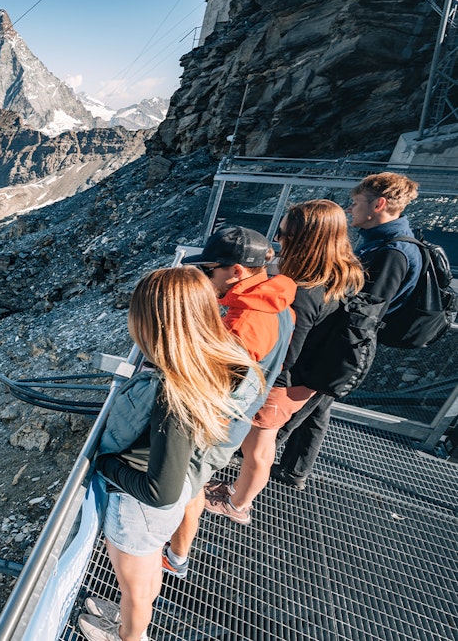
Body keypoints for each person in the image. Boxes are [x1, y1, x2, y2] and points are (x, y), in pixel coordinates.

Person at [78, 267, 264, 641]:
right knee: (147, 570)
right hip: (176, 491)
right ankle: (133, 619)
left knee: (136, 583)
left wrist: (103, 464)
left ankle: (130, 634)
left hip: (139, 507)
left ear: (156, 326)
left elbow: (158, 491)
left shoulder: (177, 392)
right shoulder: (229, 360)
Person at [203, 200, 364, 523]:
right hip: (311, 377)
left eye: (284, 234)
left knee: (259, 449)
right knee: (260, 447)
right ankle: (238, 493)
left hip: (285, 383)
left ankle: (238, 505)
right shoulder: (342, 275)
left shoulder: (305, 291)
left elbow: (287, 352)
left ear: (306, 239)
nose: (278, 241)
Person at [160, 227, 295, 576]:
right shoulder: (276, 303)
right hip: (238, 416)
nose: (205, 278)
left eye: (210, 270)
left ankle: (175, 558)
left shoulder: (245, 322)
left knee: (187, 487)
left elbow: (215, 385)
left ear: (236, 271)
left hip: (216, 425)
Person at [274, 174, 420, 487]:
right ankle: (293, 471)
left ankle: (252, 468)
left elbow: (366, 312)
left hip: (340, 345)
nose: (351, 209)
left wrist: (334, 361)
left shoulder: (392, 252)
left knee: (293, 411)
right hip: (338, 343)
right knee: (316, 409)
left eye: (356, 203)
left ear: (378, 205)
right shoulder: (383, 243)